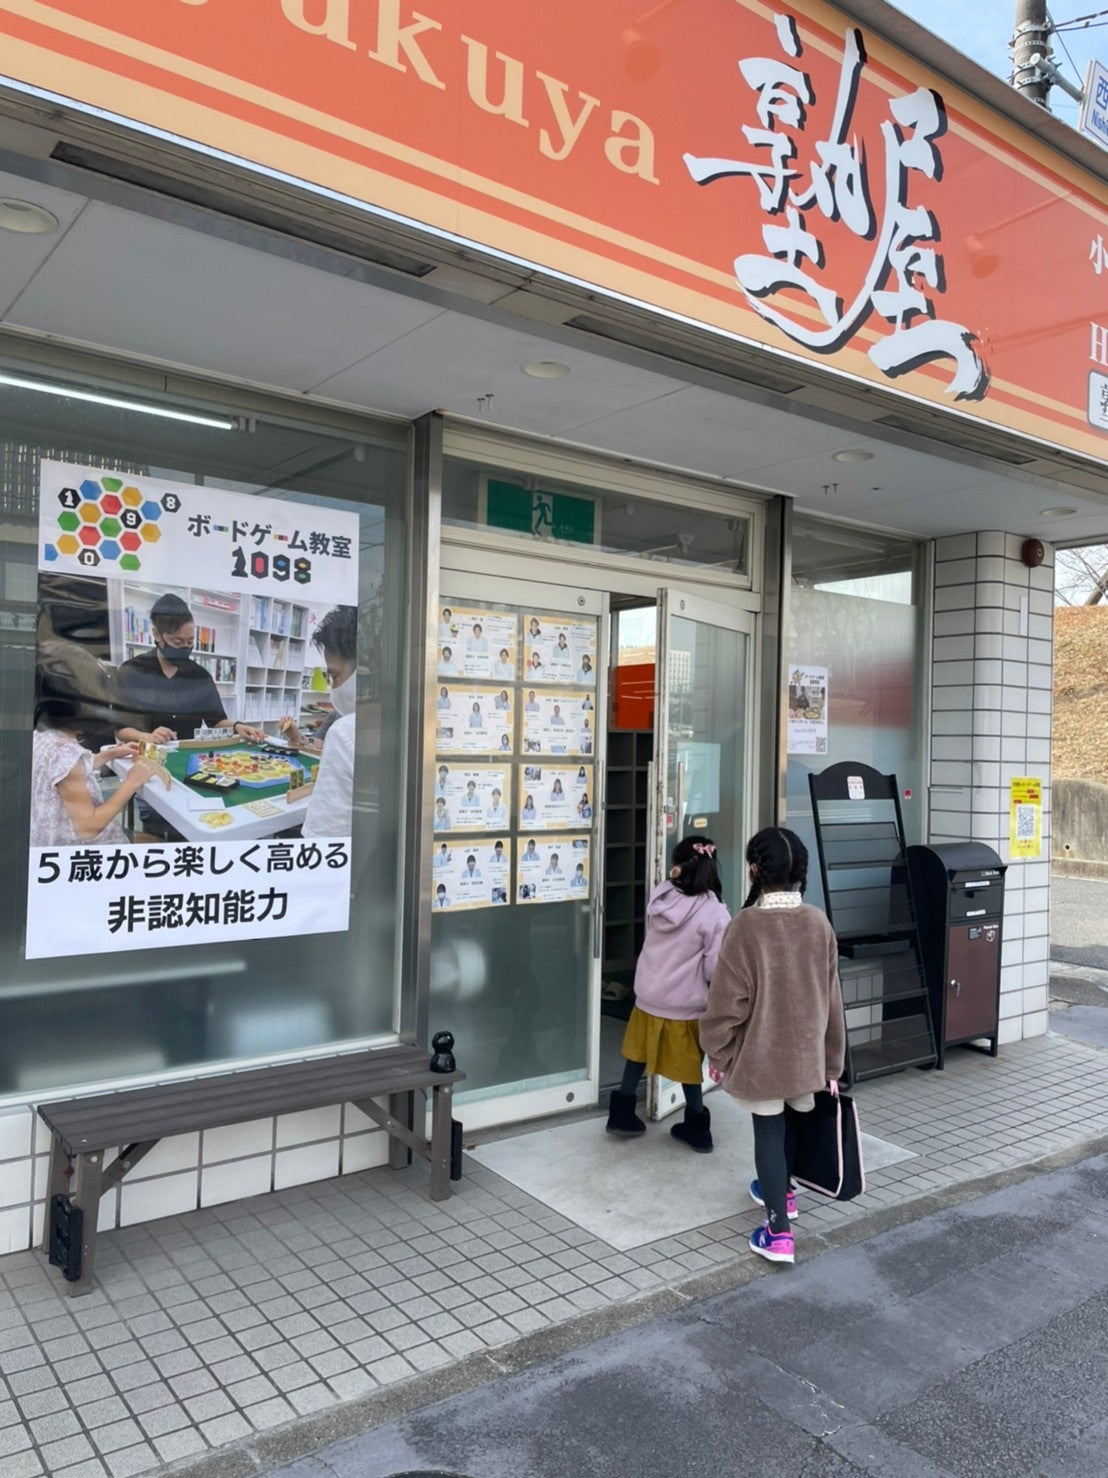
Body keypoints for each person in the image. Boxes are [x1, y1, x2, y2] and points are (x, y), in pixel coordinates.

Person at [699, 828, 845, 1268]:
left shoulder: (746, 927)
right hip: (807, 1058)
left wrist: (718, 1054)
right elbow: (832, 1001)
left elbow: (726, 1006)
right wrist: (832, 1065)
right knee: (791, 1124)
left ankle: (779, 1231)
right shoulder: (818, 923)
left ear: (754, 871)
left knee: (768, 1131)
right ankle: (783, 1192)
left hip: (761, 1058)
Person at [606, 835, 730, 1153]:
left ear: (677, 868)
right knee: (688, 1066)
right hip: (683, 1002)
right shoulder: (715, 913)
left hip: (648, 994)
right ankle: (696, 1126)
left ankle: (621, 1114)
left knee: (636, 1054)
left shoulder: (662, 898)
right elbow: (714, 966)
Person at [116, 593, 265, 746]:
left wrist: (237, 727)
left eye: (190, 642)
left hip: (188, 755)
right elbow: (120, 729)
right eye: (177, 641)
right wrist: (146, 736)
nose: (185, 648)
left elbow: (217, 721)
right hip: (146, 755)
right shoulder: (132, 672)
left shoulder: (199, 676)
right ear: (156, 634)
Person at [31, 695, 156, 847]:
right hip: (78, 848)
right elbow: (88, 828)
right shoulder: (65, 753)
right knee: (158, 843)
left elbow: (68, 771)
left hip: (45, 840)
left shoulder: (40, 737)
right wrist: (132, 782)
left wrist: (110, 754)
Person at [278, 605, 357, 750]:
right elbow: (317, 746)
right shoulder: (337, 714)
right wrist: (296, 736)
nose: (333, 688)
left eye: (335, 676)